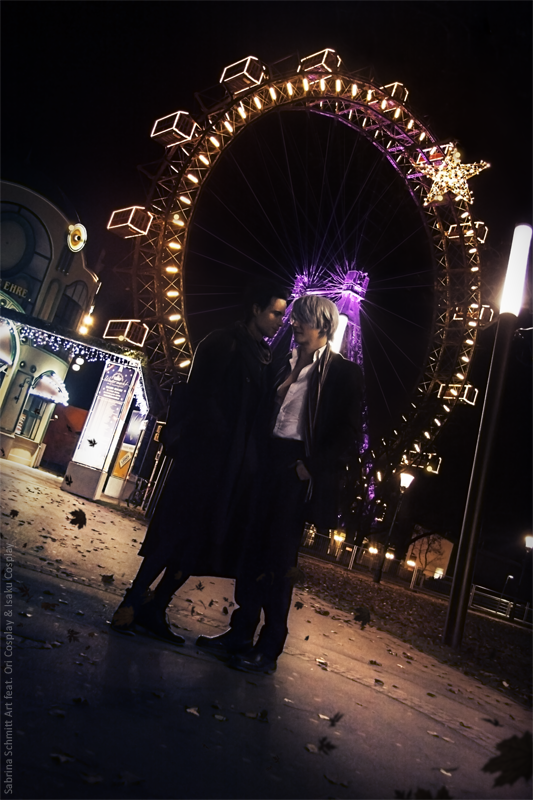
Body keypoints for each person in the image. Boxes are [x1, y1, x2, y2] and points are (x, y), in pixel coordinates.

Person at [111, 282, 288, 644]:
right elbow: (200, 398)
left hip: (232, 467)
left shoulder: (265, 357)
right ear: (255, 308)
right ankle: (132, 601)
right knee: (174, 532)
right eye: (275, 312)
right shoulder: (222, 342)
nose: (279, 321)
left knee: (199, 541)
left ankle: (157, 606)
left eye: (282, 315)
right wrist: (214, 442)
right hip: (204, 460)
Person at [199, 294, 363, 673]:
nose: (293, 324)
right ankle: (240, 631)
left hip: (295, 468)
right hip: (265, 462)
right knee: (251, 550)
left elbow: (348, 433)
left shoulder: (344, 373)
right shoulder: (279, 362)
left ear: (323, 325)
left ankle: (270, 645)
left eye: (302, 318)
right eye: (293, 317)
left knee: (279, 557)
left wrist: (310, 467)